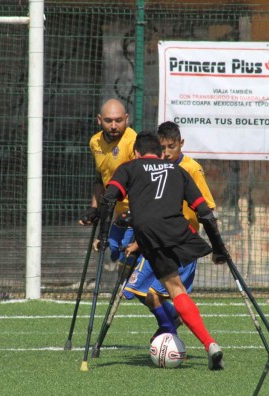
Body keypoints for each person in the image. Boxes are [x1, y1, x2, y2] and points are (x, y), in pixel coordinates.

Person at [96, 132, 226, 370]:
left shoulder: (129, 167)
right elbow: (205, 212)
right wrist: (219, 249)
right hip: (179, 231)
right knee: (178, 291)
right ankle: (210, 344)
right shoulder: (178, 170)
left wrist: (101, 233)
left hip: (149, 234)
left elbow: (109, 198)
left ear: (136, 153)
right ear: (160, 153)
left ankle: (173, 328)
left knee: (165, 288)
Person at [121, 121, 217, 341]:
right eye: (161, 148)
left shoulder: (190, 169)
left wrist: (216, 245)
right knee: (134, 289)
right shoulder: (153, 168)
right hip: (154, 241)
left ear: (181, 144)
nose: (165, 153)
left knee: (160, 292)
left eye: (171, 147)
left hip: (179, 244)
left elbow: (207, 208)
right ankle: (173, 319)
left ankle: (169, 333)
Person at [79, 98, 137, 263]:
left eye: (118, 120)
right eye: (108, 120)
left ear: (126, 118)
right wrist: (94, 208)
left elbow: (142, 182)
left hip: (136, 212)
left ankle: (133, 287)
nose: (113, 126)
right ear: (99, 120)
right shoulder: (94, 142)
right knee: (113, 251)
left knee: (128, 252)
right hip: (116, 211)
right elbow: (100, 177)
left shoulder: (133, 142)